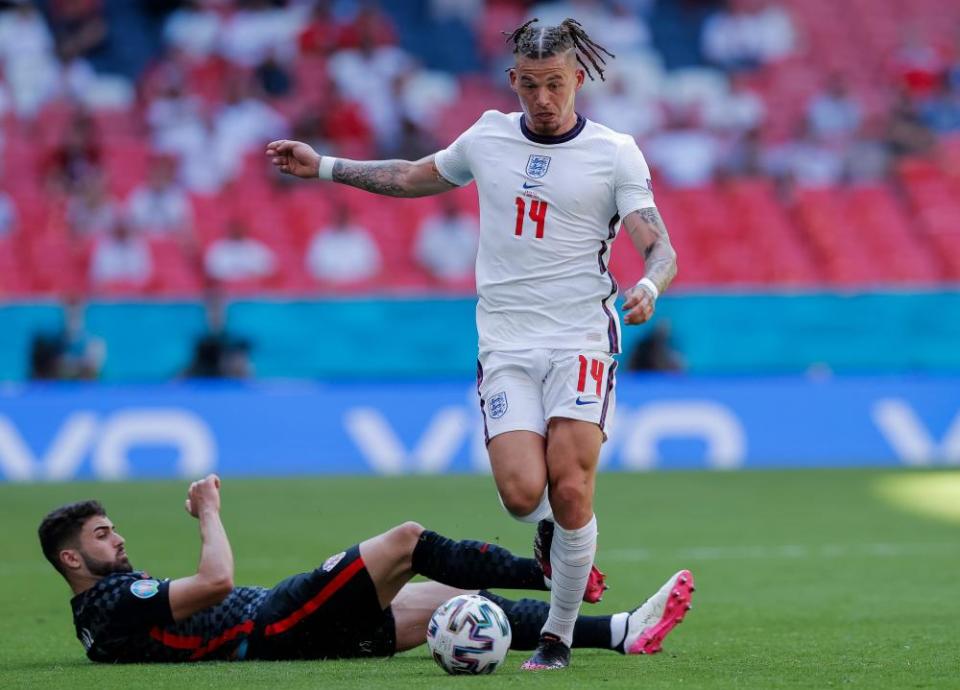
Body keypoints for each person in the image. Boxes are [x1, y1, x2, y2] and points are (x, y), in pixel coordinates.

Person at [266, 17, 679, 670]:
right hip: (505, 344)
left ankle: (556, 639)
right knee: (522, 495)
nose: (544, 99)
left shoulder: (614, 151)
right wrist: (327, 167)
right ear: (513, 81)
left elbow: (657, 243)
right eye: (531, 85)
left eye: (556, 84)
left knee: (571, 487)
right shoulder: (487, 136)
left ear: (578, 79)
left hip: (580, 339)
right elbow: (410, 176)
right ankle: (550, 540)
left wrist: (651, 285)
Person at [39, 475, 695, 664]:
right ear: (72, 559)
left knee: (453, 601)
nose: (118, 540)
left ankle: (620, 631)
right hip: (275, 625)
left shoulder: (99, 617)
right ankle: (546, 573)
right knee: (406, 541)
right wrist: (208, 512)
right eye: (102, 535)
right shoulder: (111, 603)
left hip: (292, 633)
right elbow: (215, 582)